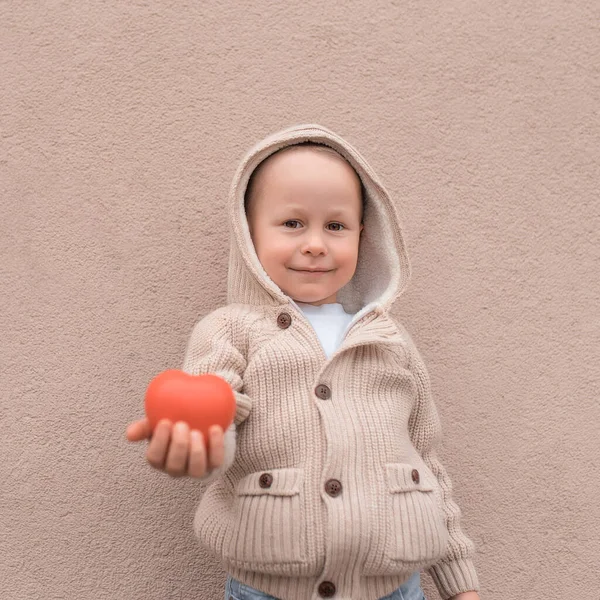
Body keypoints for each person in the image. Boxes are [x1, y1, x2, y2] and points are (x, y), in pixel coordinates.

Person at [126, 124, 481, 600]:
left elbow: (427, 460)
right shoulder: (232, 331)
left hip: (396, 589)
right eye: (293, 223)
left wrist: (460, 584)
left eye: (335, 226)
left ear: (363, 235)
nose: (315, 243)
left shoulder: (390, 340)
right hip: (268, 589)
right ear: (249, 235)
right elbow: (214, 411)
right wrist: (197, 439)